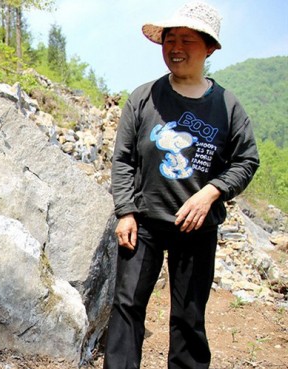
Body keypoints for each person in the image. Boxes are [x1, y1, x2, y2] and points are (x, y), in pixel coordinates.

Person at [104, 2, 260, 369]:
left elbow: (246, 160)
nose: (175, 47)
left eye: (187, 40)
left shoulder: (227, 106)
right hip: (142, 225)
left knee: (189, 316)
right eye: (170, 39)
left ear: (209, 48)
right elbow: (123, 158)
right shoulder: (144, 98)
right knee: (126, 308)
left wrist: (211, 192)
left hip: (197, 227)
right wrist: (125, 211)